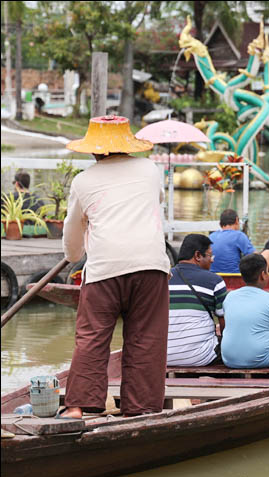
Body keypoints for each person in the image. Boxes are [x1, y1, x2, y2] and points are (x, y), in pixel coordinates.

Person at [57, 115, 170, 419]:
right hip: (150, 266)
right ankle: (142, 409)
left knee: (92, 336)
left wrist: (74, 254)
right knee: (147, 339)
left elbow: (72, 237)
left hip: (104, 269)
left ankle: (79, 406)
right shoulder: (150, 169)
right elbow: (156, 200)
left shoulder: (83, 181)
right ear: (127, 145)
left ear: (94, 150)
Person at [220, 253, 269, 368]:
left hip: (229, 359)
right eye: (268, 271)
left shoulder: (229, 297)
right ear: (263, 275)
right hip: (262, 359)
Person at [167, 234, 227, 367]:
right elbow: (225, 327)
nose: (212, 260)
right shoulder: (214, 281)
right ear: (198, 256)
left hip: (163, 356)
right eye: (210, 256)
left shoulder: (163, 278)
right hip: (200, 356)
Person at [209, 209, 255, 273]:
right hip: (233, 276)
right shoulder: (239, 235)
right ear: (237, 220)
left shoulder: (211, 237)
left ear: (220, 223)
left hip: (213, 276)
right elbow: (254, 257)